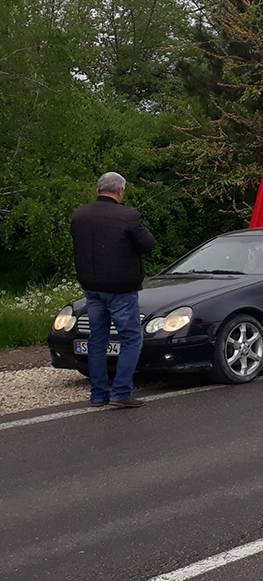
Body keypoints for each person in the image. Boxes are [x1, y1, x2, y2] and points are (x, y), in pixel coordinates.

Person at [70, 172, 156, 409]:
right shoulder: (128, 216)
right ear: (120, 191)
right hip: (121, 288)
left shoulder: (79, 215)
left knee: (97, 339)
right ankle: (121, 391)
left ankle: (98, 394)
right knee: (131, 338)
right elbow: (148, 245)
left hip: (91, 286)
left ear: (98, 190)